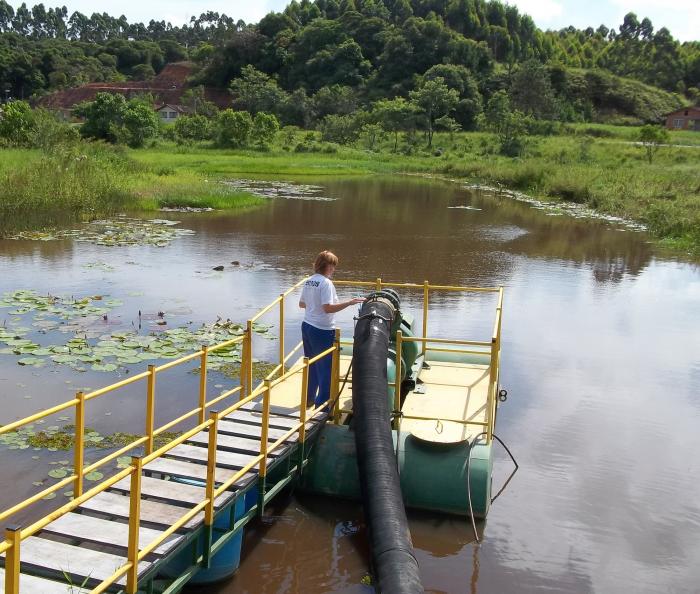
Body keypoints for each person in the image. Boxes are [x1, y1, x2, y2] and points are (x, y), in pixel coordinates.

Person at [299, 250, 364, 408]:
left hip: (307, 326)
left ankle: (308, 399)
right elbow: (328, 308)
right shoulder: (326, 283)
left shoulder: (309, 280)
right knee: (326, 369)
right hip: (322, 330)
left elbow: (301, 304)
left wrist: (314, 307)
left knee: (311, 364)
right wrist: (350, 302)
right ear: (326, 266)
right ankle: (322, 407)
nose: (334, 269)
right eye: (332, 266)